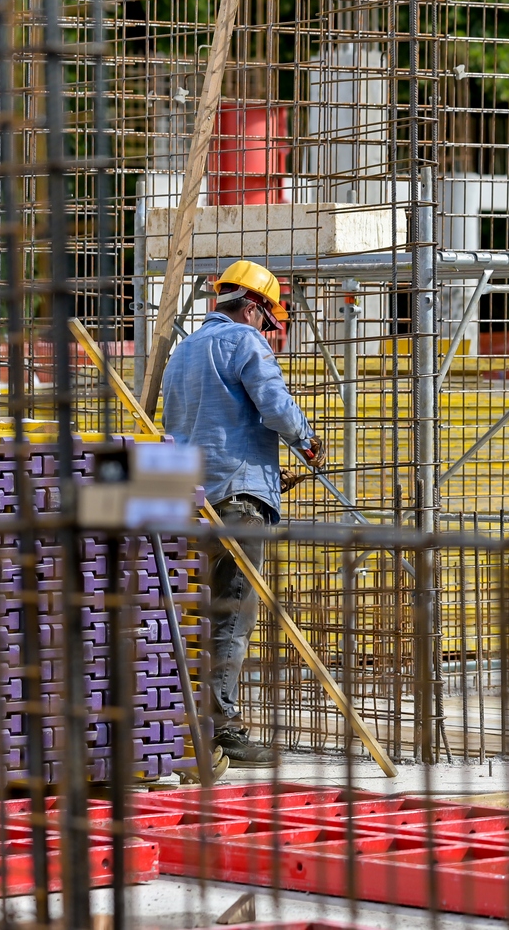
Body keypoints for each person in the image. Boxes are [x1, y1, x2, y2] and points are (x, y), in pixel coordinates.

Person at [162, 260, 323, 767]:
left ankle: (185, 720)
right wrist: (306, 438)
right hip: (238, 497)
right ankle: (223, 728)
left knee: (195, 611)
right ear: (252, 308)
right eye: (269, 323)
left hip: (187, 499)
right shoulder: (243, 342)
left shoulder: (181, 350)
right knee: (232, 612)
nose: (269, 335)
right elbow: (274, 406)